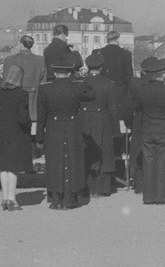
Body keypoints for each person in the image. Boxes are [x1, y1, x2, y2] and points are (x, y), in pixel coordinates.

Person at [36, 61, 95, 209]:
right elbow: (92, 95)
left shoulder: (45, 88)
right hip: (72, 126)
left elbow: (41, 115)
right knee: (72, 160)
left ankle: (56, 199)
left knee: (55, 162)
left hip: (53, 127)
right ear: (69, 73)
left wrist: (39, 137)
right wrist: (80, 78)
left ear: (55, 72)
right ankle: (70, 199)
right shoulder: (77, 86)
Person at [132, 57, 165, 204]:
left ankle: (148, 196)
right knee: (163, 162)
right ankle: (163, 196)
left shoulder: (142, 91)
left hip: (147, 130)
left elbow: (137, 108)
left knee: (148, 162)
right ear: (163, 73)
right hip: (164, 131)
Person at [0, 65, 31, 211]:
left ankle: (5, 199)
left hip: (0, 133)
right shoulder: (22, 94)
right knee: (12, 167)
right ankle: (12, 199)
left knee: (3, 167)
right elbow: (23, 118)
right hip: (15, 133)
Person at [79, 53, 118, 198]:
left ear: (88, 67)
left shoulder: (81, 82)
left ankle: (86, 187)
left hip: (84, 119)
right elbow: (113, 109)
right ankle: (101, 188)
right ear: (101, 67)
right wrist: (116, 130)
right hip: (103, 119)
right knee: (104, 153)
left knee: (86, 152)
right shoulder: (109, 84)